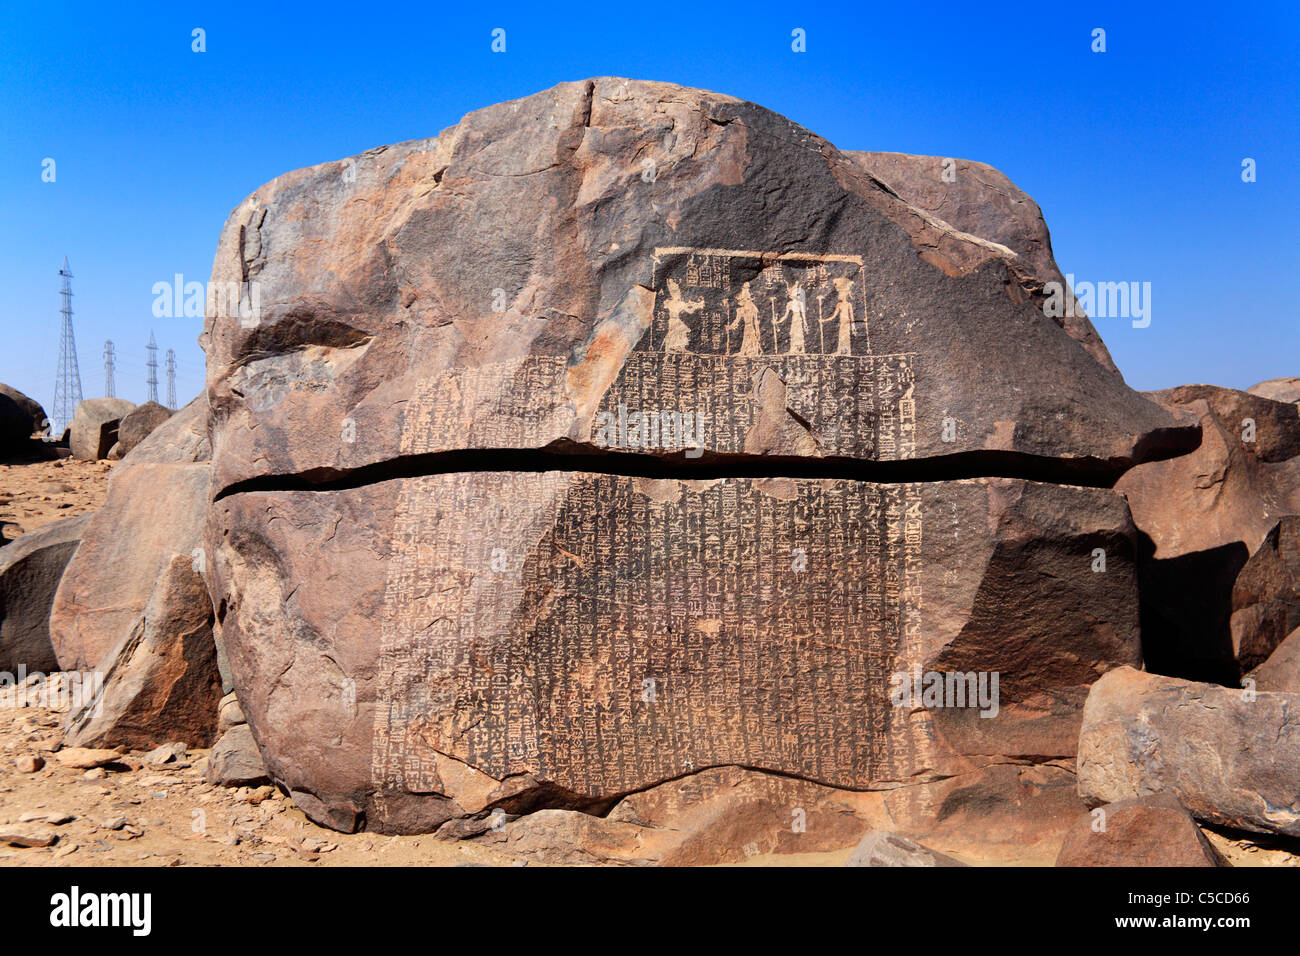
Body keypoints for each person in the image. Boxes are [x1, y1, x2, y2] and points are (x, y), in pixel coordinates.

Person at [662, 278, 704, 353]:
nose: (678, 294)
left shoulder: (673, 302)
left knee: (678, 333)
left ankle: (677, 348)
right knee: (677, 333)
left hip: (674, 320)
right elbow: (689, 310)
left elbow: (689, 310)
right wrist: (698, 305)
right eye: (675, 292)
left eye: (678, 291)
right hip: (674, 320)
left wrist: (696, 306)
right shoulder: (674, 302)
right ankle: (675, 348)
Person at [728, 282, 762, 356]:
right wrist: (731, 326)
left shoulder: (752, 307)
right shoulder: (741, 310)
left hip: (751, 326)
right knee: (746, 338)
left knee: (750, 338)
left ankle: (750, 352)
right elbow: (736, 320)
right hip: (747, 326)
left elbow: (756, 321)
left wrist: (757, 330)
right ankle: (745, 351)